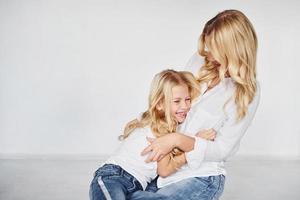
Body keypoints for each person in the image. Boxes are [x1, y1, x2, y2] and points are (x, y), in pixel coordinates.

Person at [129, 9, 260, 200]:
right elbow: (174, 102)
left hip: (200, 176)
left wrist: (177, 140)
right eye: (208, 45)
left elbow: (223, 149)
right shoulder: (200, 61)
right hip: (165, 166)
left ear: (233, 49)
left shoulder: (247, 92)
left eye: (215, 48)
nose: (208, 53)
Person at [89, 69, 216, 200]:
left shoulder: (170, 128)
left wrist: (193, 140)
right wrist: (196, 144)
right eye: (177, 101)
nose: (185, 106)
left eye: (188, 99)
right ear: (160, 104)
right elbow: (164, 170)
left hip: (138, 187)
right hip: (113, 177)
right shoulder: (161, 128)